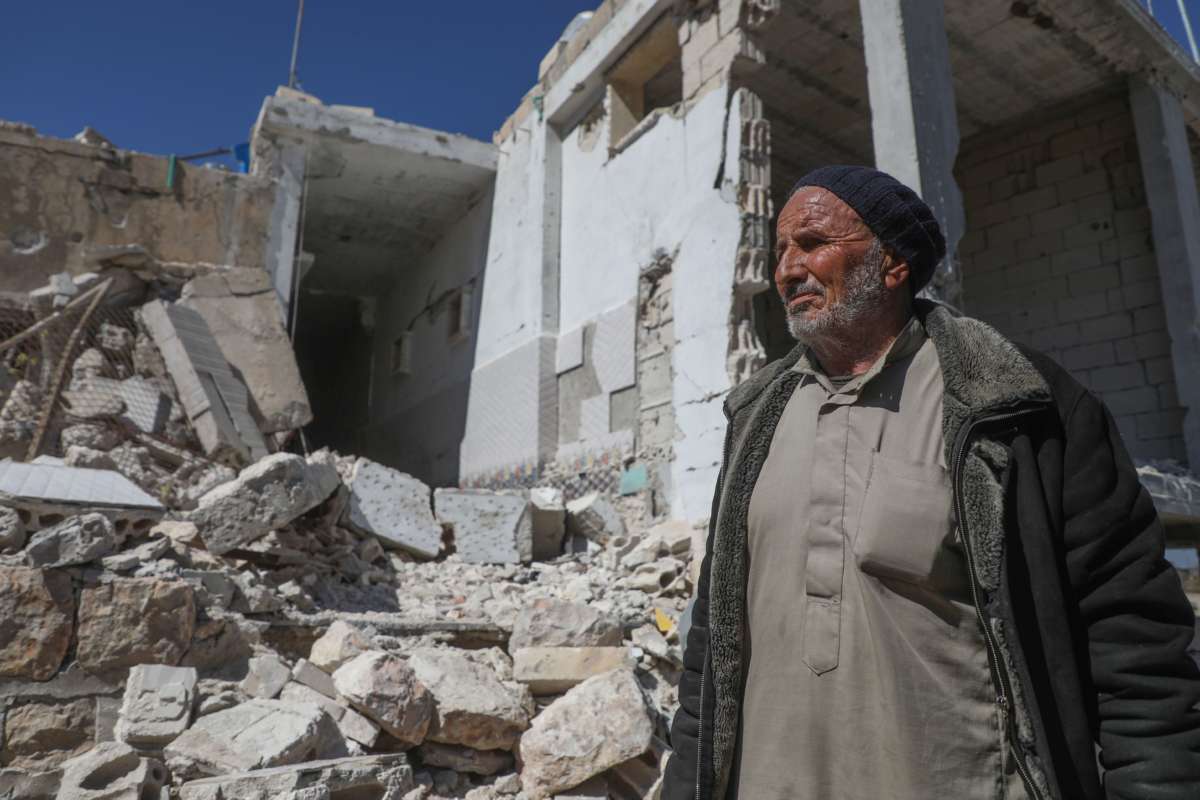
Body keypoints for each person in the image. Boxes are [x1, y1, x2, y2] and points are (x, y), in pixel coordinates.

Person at [661, 165, 1200, 800]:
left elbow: (1131, 641)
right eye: (782, 251)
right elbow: (711, 646)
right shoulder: (755, 420)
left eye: (811, 244)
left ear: (892, 264)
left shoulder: (1019, 407)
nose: (785, 270)